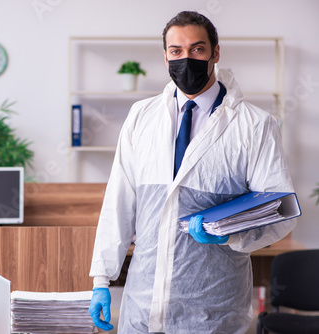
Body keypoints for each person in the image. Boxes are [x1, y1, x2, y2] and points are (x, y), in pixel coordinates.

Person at [88, 11, 296, 334]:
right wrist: (102, 278)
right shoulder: (141, 117)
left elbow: (281, 210)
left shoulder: (255, 125)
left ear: (215, 52)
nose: (186, 59)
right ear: (165, 56)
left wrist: (233, 232)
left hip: (214, 310)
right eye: (176, 51)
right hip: (143, 306)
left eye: (197, 49)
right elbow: (119, 202)